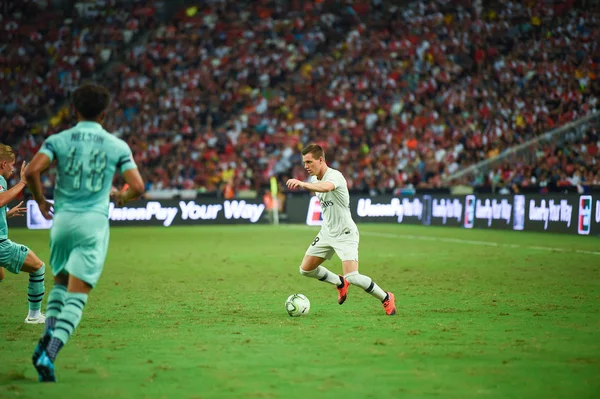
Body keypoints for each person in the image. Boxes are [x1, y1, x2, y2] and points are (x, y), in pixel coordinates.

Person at [25, 83, 145, 382]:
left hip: (62, 221)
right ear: (104, 113)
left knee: (60, 284)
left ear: (74, 110)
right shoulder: (116, 145)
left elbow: (31, 171)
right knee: (78, 295)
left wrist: (40, 201)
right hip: (93, 223)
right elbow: (139, 188)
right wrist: (120, 196)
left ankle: (48, 332)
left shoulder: (58, 139)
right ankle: (49, 352)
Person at [286, 144, 396, 315]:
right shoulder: (315, 178)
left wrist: (302, 184)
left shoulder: (335, 176)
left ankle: (386, 297)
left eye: (309, 162)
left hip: (345, 233)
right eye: (304, 163)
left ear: (321, 160)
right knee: (305, 270)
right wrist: (307, 183)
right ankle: (340, 282)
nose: (306, 166)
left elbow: (326, 187)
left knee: (353, 276)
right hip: (327, 232)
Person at [0, 146, 47, 324]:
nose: (13, 168)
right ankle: (34, 316)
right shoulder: (0, 180)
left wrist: (6, 214)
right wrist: (23, 183)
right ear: (3, 164)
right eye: (12, 165)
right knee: (38, 266)